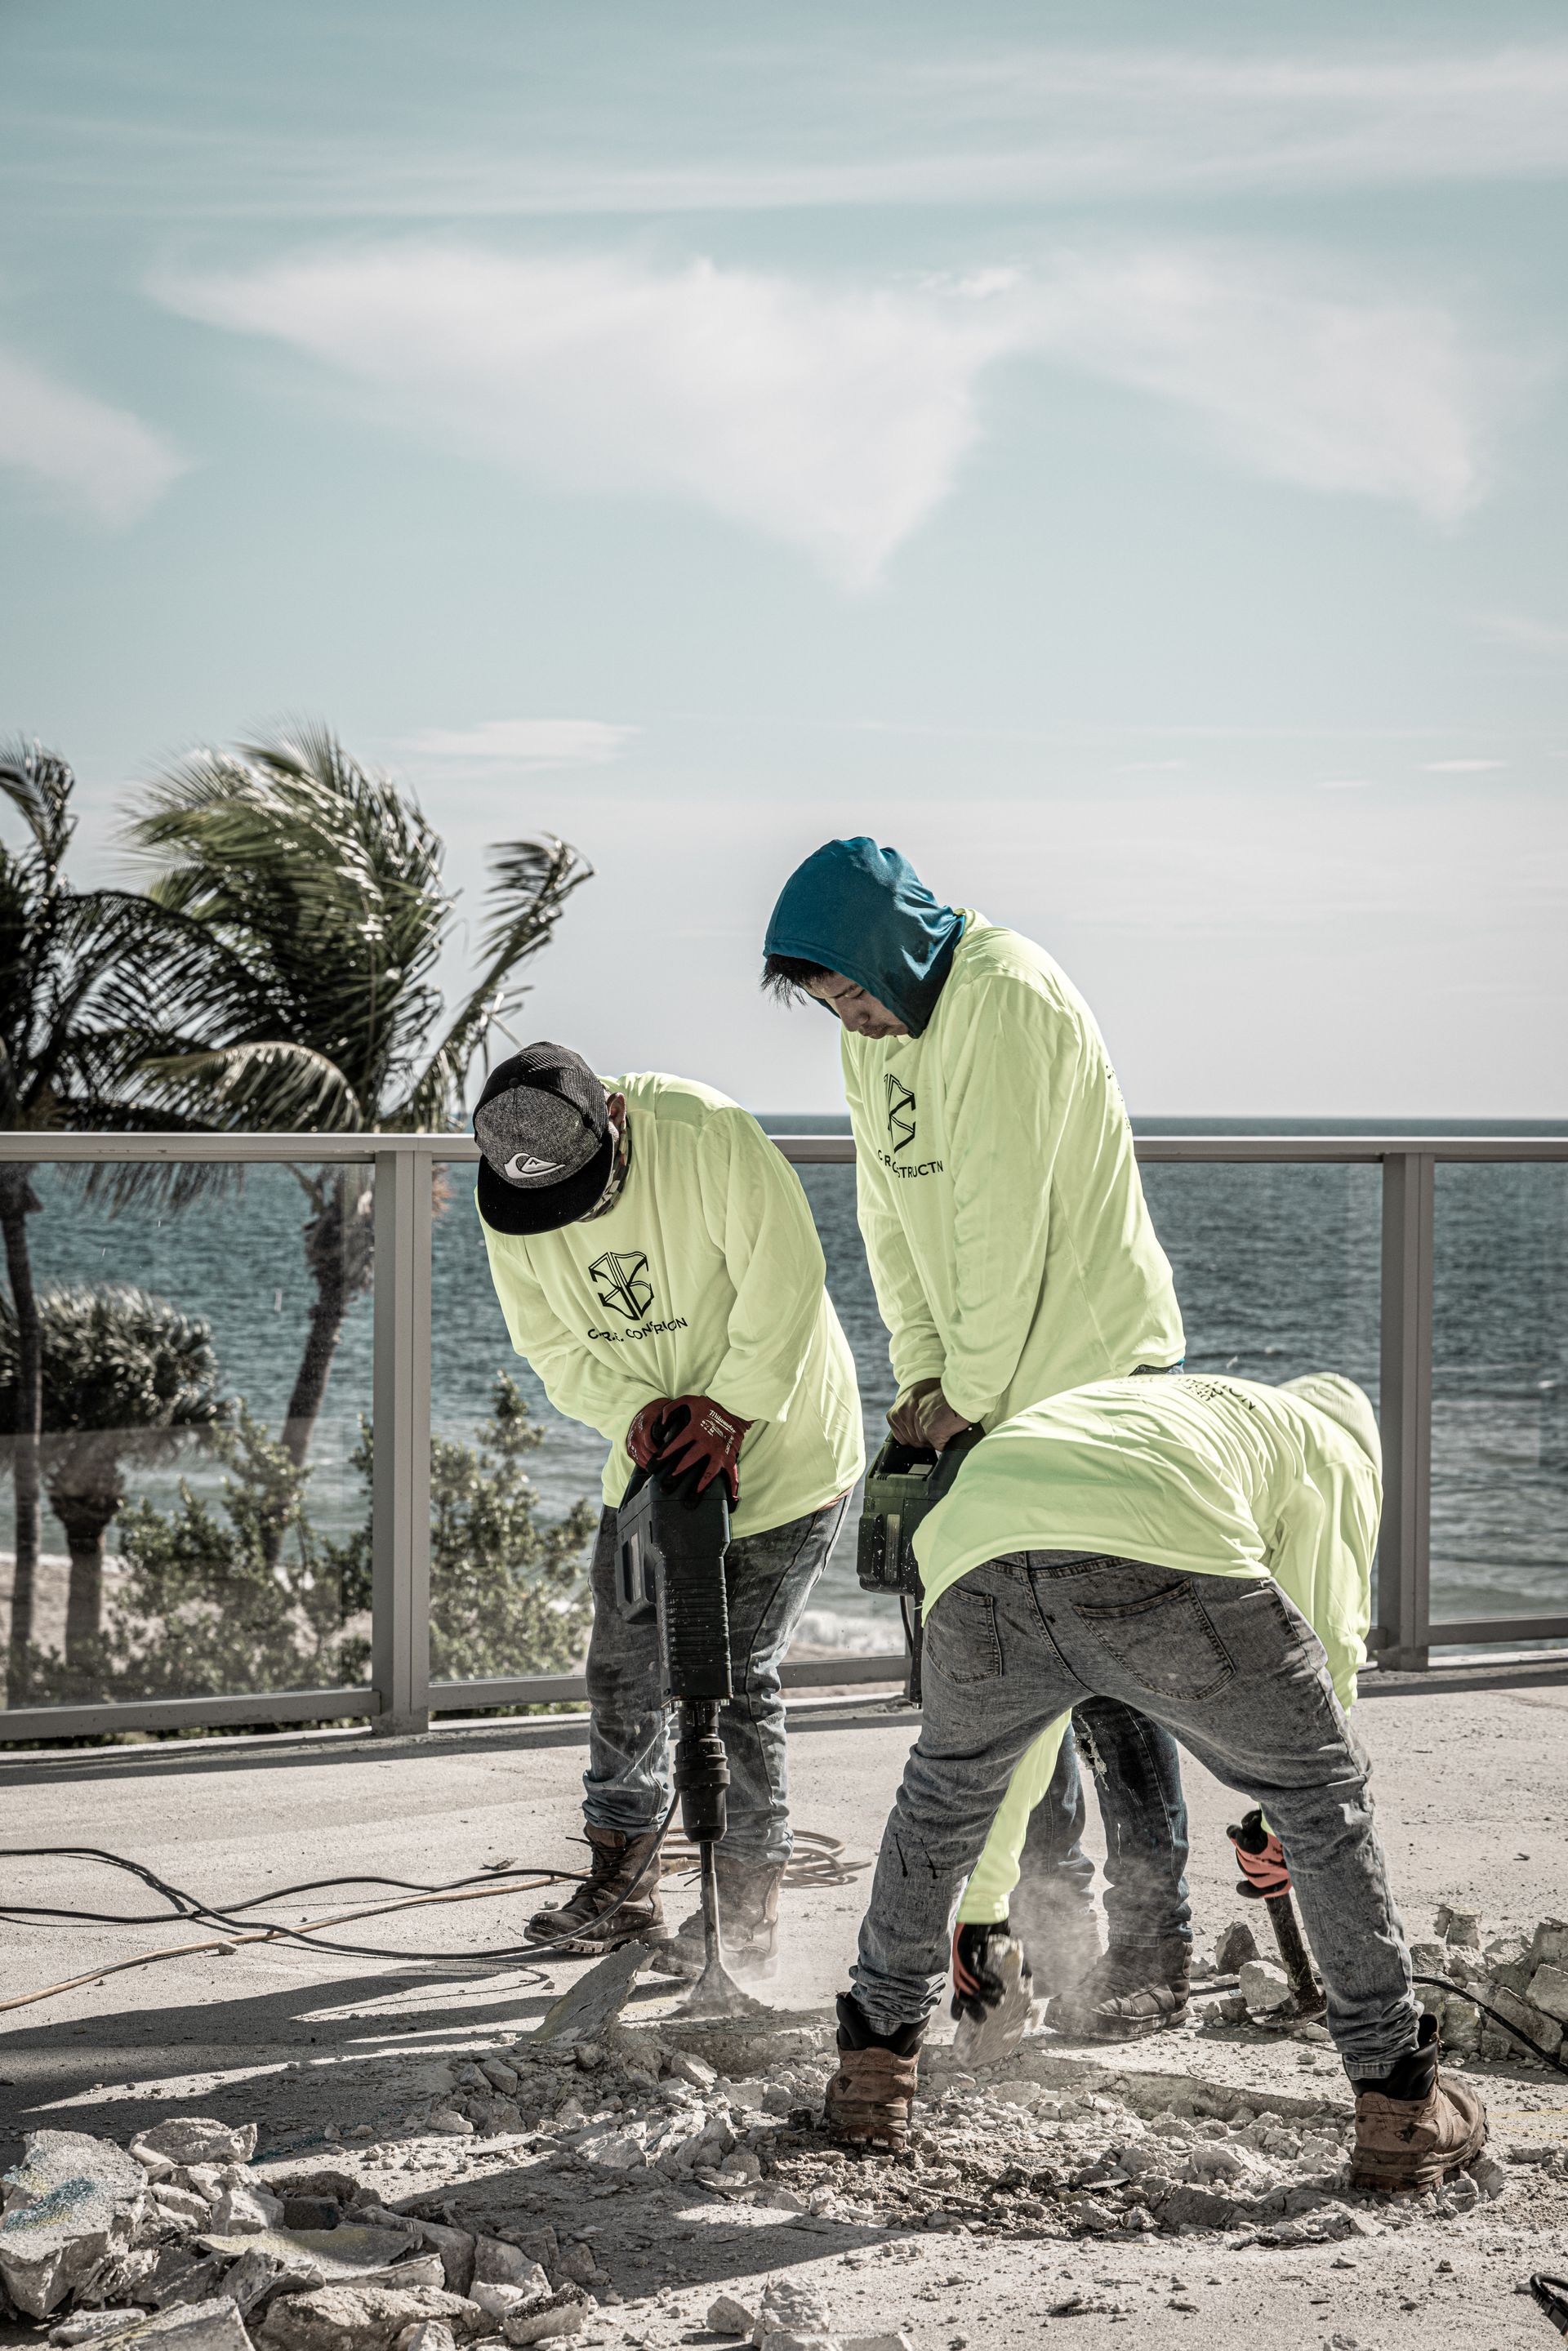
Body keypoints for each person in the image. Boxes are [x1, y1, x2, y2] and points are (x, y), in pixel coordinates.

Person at [824, 1370, 1488, 2199]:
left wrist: (985, 1894)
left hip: (975, 1542)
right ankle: (1400, 2102)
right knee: (1327, 1794)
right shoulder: (1335, 1449)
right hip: (1158, 1538)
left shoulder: (1180, 1406)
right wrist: (1280, 1817)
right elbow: (1331, 1647)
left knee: (940, 1796)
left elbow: (996, 1769)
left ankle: (872, 2074)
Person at [763, 836, 1192, 2033]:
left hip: (1093, 1368)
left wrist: (976, 1387)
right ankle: (1050, 1930)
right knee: (1002, 1660)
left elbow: (1002, 1222)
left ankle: (1156, 1954)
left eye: (854, 989)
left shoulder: (1004, 993)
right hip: (988, 1392)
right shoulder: (877, 1038)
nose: (849, 1019)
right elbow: (886, 1211)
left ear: (898, 944)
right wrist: (923, 1379)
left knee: (1113, 1669)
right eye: (826, 1004)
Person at [474, 1042, 863, 1975]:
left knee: (732, 1673)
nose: (576, 1218)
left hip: (783, 1441)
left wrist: (729, 1409)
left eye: (591, 1191)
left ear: (613, 1114)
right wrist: (632, 1414)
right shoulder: (513, 1188)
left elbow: (789, 1282)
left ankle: (745, 1904)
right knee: (622, 1669)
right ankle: (622, 1882)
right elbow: (551, 1345)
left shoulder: (707, 1134)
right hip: (651, 1453)